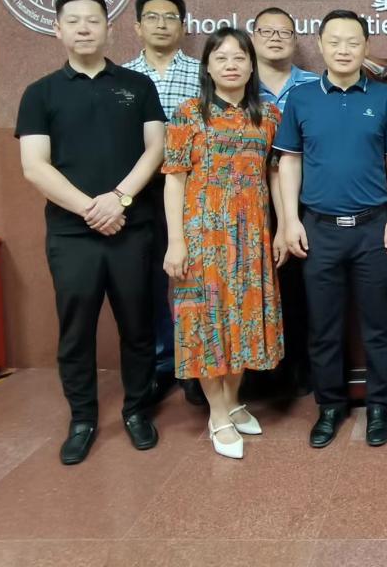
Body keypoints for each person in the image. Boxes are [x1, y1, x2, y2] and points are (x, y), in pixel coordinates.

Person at [16, 0, 165, 465]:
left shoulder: (138, 86)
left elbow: (156, 149)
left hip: (133, 227)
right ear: (57, 29)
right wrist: (91, 209)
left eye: (93, 20)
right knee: (75, 330)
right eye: (74, 21)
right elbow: (34, 166)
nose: (84, 28)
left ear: (110, 28)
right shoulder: (40, 93)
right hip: (72, 234)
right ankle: (82, 419)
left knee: (138, 326)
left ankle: (137, 410)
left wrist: (119, 200)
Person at [276, 10, 387, 448]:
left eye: (353, 41)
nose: (344, 49)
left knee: (379, 324)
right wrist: (290, 219)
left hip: (373, 228)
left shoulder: (385, 98)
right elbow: (289, 161)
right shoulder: (302, 98)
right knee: (324, 325)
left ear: (366, 46)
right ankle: (330, 406)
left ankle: (379, 406)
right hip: (319, 230)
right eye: (334, 41)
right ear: (320, 45)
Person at [162, 28, 284, 459]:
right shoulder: (188, 114)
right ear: (208, 67)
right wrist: (175, 241)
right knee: (207, 322)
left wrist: (283, 226)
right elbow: (174, 180)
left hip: (251, 235)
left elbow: (275, 174)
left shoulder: (268, 116)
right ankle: (216, 413)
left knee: (244, 318)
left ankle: (232, 401)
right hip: (203, 236)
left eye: (239, 58)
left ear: (251, 66)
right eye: (221, 58)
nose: (231, 65)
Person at [122, 0, 203, 407]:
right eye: (152, 17)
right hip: (140, 193)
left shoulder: (203, 74)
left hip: (196, 192)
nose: (161, 24)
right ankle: (161, 363)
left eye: (170, 17)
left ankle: (194, 365)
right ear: (137, 26)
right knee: (148, 281)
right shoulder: (122, 78)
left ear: (183, 26)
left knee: (194, 278)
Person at [251, 6, 319, 397]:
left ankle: (301, 370)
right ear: (253, 37)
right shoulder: (238, 84)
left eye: (284, 32)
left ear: (295, 40)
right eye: (267, 31)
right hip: (247, 202)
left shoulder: (313, 86)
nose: (275, 38)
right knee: (257, 287)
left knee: (300, 289)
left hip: (305, 199)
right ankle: (261, 374)